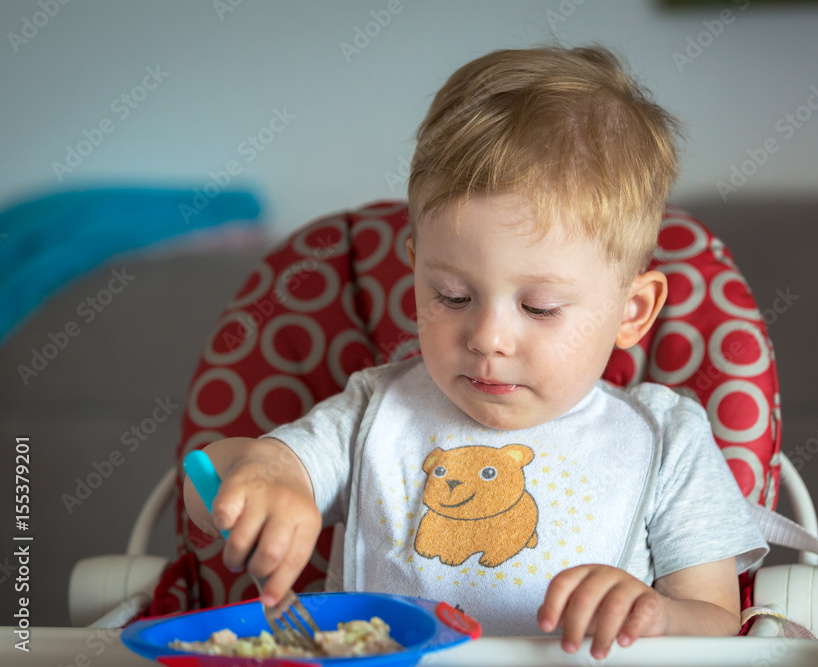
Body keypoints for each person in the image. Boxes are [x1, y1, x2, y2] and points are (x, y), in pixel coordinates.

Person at [183, 44, 768, 659]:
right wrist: (262, 474)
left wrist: (652, 616)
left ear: (633, 311)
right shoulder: (373, 412)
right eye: (452, 295)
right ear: (414, 274)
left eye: (539, 307)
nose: (488, 337)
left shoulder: (667, 440)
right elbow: (207, 492)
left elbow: (718, 622)